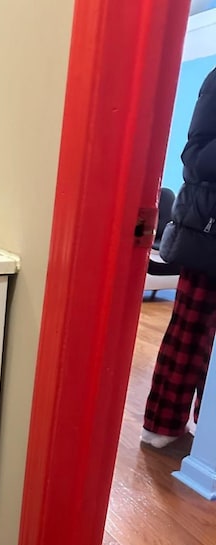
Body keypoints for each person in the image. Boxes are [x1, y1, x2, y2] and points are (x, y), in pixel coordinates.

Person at [141, 68, 216, 449]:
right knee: (189, 334)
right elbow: (194, 157)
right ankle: (163, 424)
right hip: (206, 232)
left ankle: (208, 432)